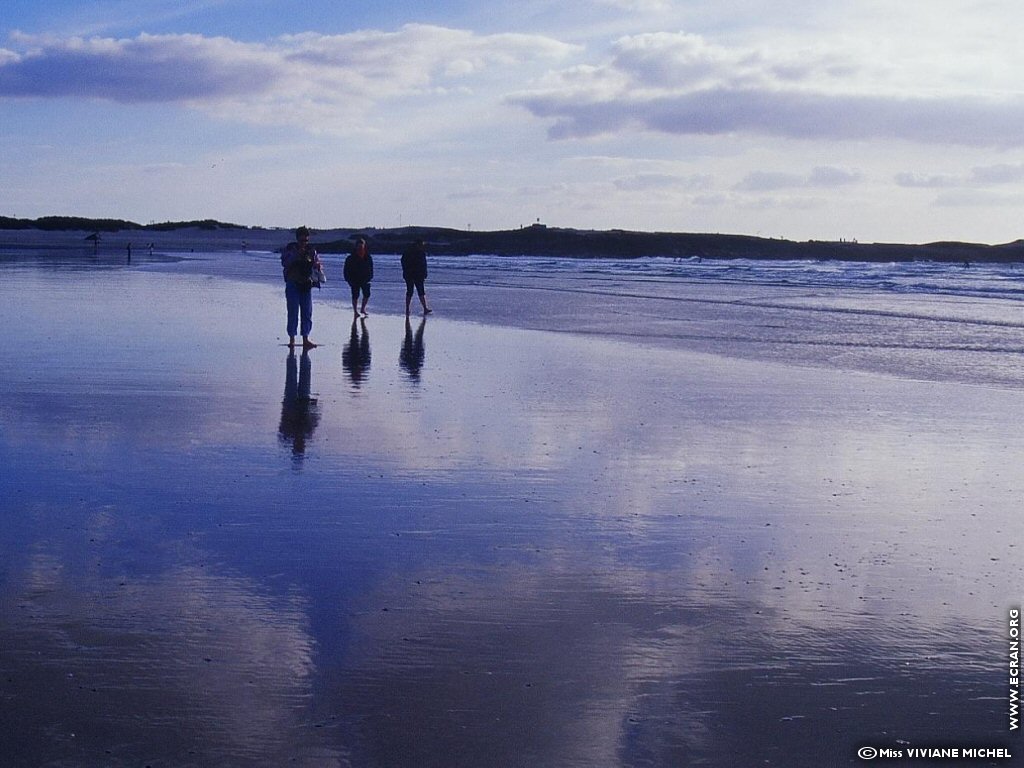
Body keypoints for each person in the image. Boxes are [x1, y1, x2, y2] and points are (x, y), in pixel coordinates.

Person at [280, 226, 321, 349]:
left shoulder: (311, 251)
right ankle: (292, 339)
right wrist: (296, 255)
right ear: (297, 239)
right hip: (293, 283)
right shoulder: (290, 250)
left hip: (306, 284)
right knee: (293, 312)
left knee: (307, 313)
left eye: (306, 240)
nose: (304, 243)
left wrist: (317, 266)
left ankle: (305, 338)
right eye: (302, 240)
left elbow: (317, 264)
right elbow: (284, 262)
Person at [401, 239, 432, 316]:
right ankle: (424, 308)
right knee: (420, 292)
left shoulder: (408, 251)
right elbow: (423, 264)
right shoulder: (420, 252)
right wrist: (424, 273)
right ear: (419, 244)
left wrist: (406, 270)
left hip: (410, 274)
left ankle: (408, 309)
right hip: (416, 275)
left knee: (411, 292)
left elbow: (403, 261)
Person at [344, 237, 374, 317]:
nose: (360, 248)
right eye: (359, 246)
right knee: (355, 296)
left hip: (365, 279)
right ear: (356, 246)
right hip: (354, 279)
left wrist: (370, 276)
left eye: (362, 246)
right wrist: (348, 279)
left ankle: (363, 308)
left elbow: (371, 268)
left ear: (364, 246)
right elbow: (346, 270)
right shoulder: (350, 258)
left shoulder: (368, 257)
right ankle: (355, 311)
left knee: (367, 294)